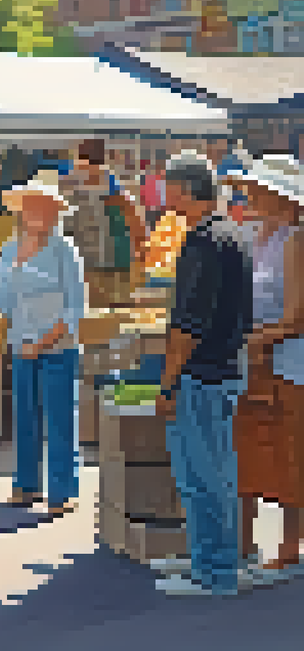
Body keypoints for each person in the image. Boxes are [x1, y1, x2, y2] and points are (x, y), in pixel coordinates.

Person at [153, 152, 254, 597]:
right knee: (207, 477)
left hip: (203, 374)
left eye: (168, 184)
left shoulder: (204, 242)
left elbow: (187, 326)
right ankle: (207, 561)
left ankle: (214, 571)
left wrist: (168, 381)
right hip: (222, 369)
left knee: (204, 477)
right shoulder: (230, 234)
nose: (162, 191)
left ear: (184, 188)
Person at [227, 155, 304, 578]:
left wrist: (250, 338)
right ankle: (243, 544)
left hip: (290, 365)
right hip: (254, 362)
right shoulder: (255, 236)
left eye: (259, 189)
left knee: (290, 457)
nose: (250, 195)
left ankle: (290, 549)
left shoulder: (296, 240)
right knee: (248, 454)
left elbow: (296, 316)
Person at [0, 171, 86, 517]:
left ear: (53, 214)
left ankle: (62, 490)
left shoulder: (65, 251)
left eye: (42, 208)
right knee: (25, 417)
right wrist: (16, 268)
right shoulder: (7, 251)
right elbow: (5, 302)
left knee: (60, 418)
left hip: (58, 347)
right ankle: (25, 484)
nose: (35, 214)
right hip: (21, 345)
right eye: (29, 208)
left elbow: (76, 306)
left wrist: (47, 339)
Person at [63, 139, 145, 307]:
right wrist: (141, 244)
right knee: (115, 311)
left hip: (82, 258)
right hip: (111, 258)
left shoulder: (67, 180)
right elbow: (131, 213)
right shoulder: (106, 179)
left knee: (85, 309)